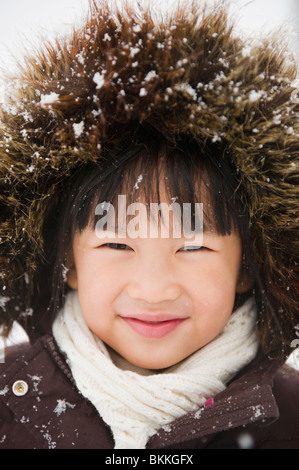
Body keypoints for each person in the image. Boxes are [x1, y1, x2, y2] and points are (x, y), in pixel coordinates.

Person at [0, 0, 298, 449]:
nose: (154, 289)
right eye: (117, 245)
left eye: (193, 246)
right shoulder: (9, 401)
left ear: (247, 266)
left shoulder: (290, 419)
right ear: (70, 260)